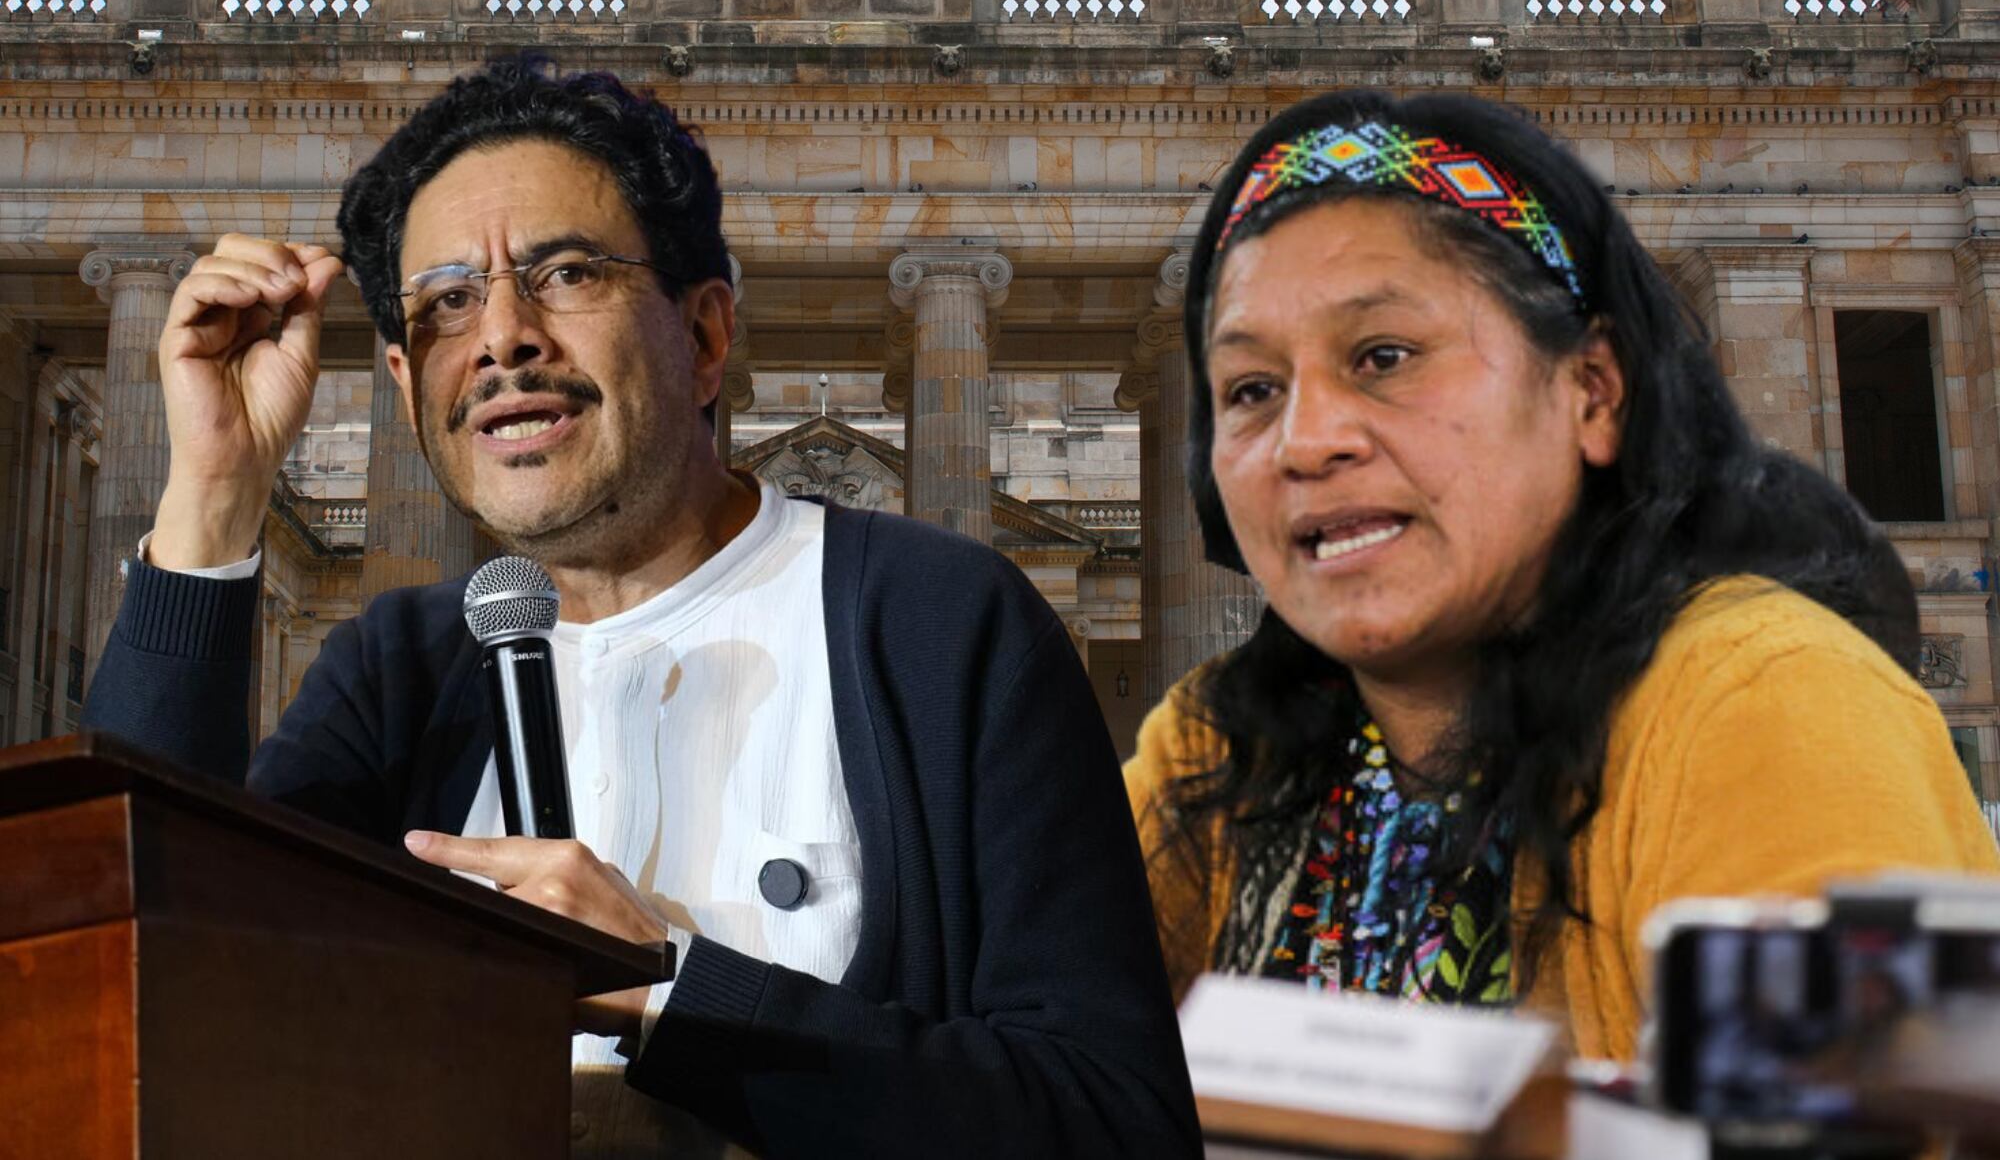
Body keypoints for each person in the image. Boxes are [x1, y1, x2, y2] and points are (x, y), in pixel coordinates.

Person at [83, 59, 1199, 1159]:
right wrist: (214, 497)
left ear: (706, 337)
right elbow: (129, 981)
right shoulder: (399, 667)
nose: (501, 336)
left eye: (565, 273)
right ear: (401, 382)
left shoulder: (940, 625)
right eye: (448, 301)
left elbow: (1112, 1122)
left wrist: (670, 993)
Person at [1123, 91, 2000, 1062]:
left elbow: (1842, 1118)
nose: (1305, 441)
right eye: (1251, 390)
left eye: (1382, 356)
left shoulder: (1762, 703)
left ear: (1592, 391)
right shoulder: (1225, 746)